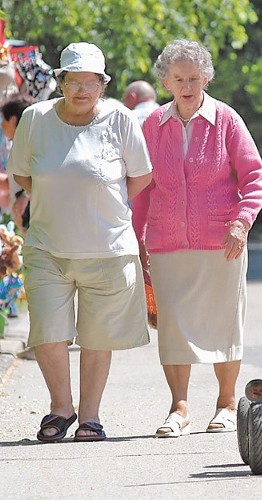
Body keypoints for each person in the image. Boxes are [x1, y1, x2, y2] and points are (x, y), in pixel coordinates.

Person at [7, 42, 153, 442]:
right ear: (61, 82)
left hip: (107, 247)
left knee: (97, 336)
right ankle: (60, 408)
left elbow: (139, 177)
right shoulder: (35, 119)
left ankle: (90, 417)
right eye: (74, 81)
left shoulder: (121, 119)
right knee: (48, 332)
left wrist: (106, 205)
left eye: (91, 82)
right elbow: (22, 174)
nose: (82, 90)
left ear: (103, 84)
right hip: (47, 245)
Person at [132, 39, 262, 438]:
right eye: (179, 79)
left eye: (194, 77)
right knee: (173, 325)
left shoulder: (226, 120)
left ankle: (225, 404)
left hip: (222, 243)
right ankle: (179, 408)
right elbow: (141, 188)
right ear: (166, 81)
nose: (188, 85)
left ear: (206, 77)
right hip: (166, 242)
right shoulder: (152, 126)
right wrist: (139, 242)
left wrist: (241, 223)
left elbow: (255, 178)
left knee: (225, 322)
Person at [1, 92, 38, 233]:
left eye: (2, 119)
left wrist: (25, 196)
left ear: (13, 120)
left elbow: (39, 178)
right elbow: (13, 182)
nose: (1, 125)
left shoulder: (32, 146)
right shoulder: (17, 146)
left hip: (35, 221)